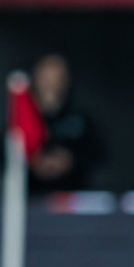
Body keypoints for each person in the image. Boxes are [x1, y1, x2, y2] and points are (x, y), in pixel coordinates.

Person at [24, 53, 102, 193]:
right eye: (46, 77)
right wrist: (34, 163)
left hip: (73, 199)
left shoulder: (80, 121)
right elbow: (4, 157)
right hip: (32, 200)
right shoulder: (23, 118)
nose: (51, 83)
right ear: (35, 78)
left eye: (56, 78)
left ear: (66, 80)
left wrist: (70, 161)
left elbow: (98, 155)